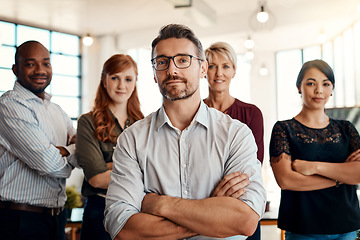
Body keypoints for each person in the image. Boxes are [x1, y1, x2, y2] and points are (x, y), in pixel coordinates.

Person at [104, 24, 266, 240]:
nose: (172, 70)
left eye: (183, 60)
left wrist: (158, 204)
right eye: (162, 62)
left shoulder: (236, 135)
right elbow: (123, 228)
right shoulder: (132, 140)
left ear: (202, 69)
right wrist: (212, 212)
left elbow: (244, 221)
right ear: (154, 73)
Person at [269, 59, 360, 240]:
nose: (319, 90)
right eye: (311, 83)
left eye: (326, 84)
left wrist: (314, 167)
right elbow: (287, 180)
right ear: (299, 87)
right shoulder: (283, 129)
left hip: (348, 226)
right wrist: (340, 178)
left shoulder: (347, 128)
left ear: (331, 89)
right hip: (303, 228)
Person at [0, 40, 77, 240]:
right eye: (30, 64)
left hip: (56, 218)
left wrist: (60, 151)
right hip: (19, 220)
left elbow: (83, 154)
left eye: (46, 63)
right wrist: (69, 152)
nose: (40, 70)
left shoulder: (57, 111)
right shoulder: (9, 106)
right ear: (16, 69)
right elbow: (47, 163)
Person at [76, 54, 144, 240]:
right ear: (104, 81)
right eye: (115, 78)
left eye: (128, 79)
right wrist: (135, 170)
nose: (122, 85)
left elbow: (156, 171)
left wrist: (110, 166)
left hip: (137, 211)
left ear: (135, 82)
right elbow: (97, 179)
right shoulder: (88, 122)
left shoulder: (143, 124)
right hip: (100, 210)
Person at [204, 42, 264, 240]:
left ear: (234, 71)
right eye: (212, 66)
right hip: (202, 206)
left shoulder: (251, 113)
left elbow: (251, 168)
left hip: (242, 205)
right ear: (204, 70)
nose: (219, 73)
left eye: (225, 66)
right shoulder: (193, 113)